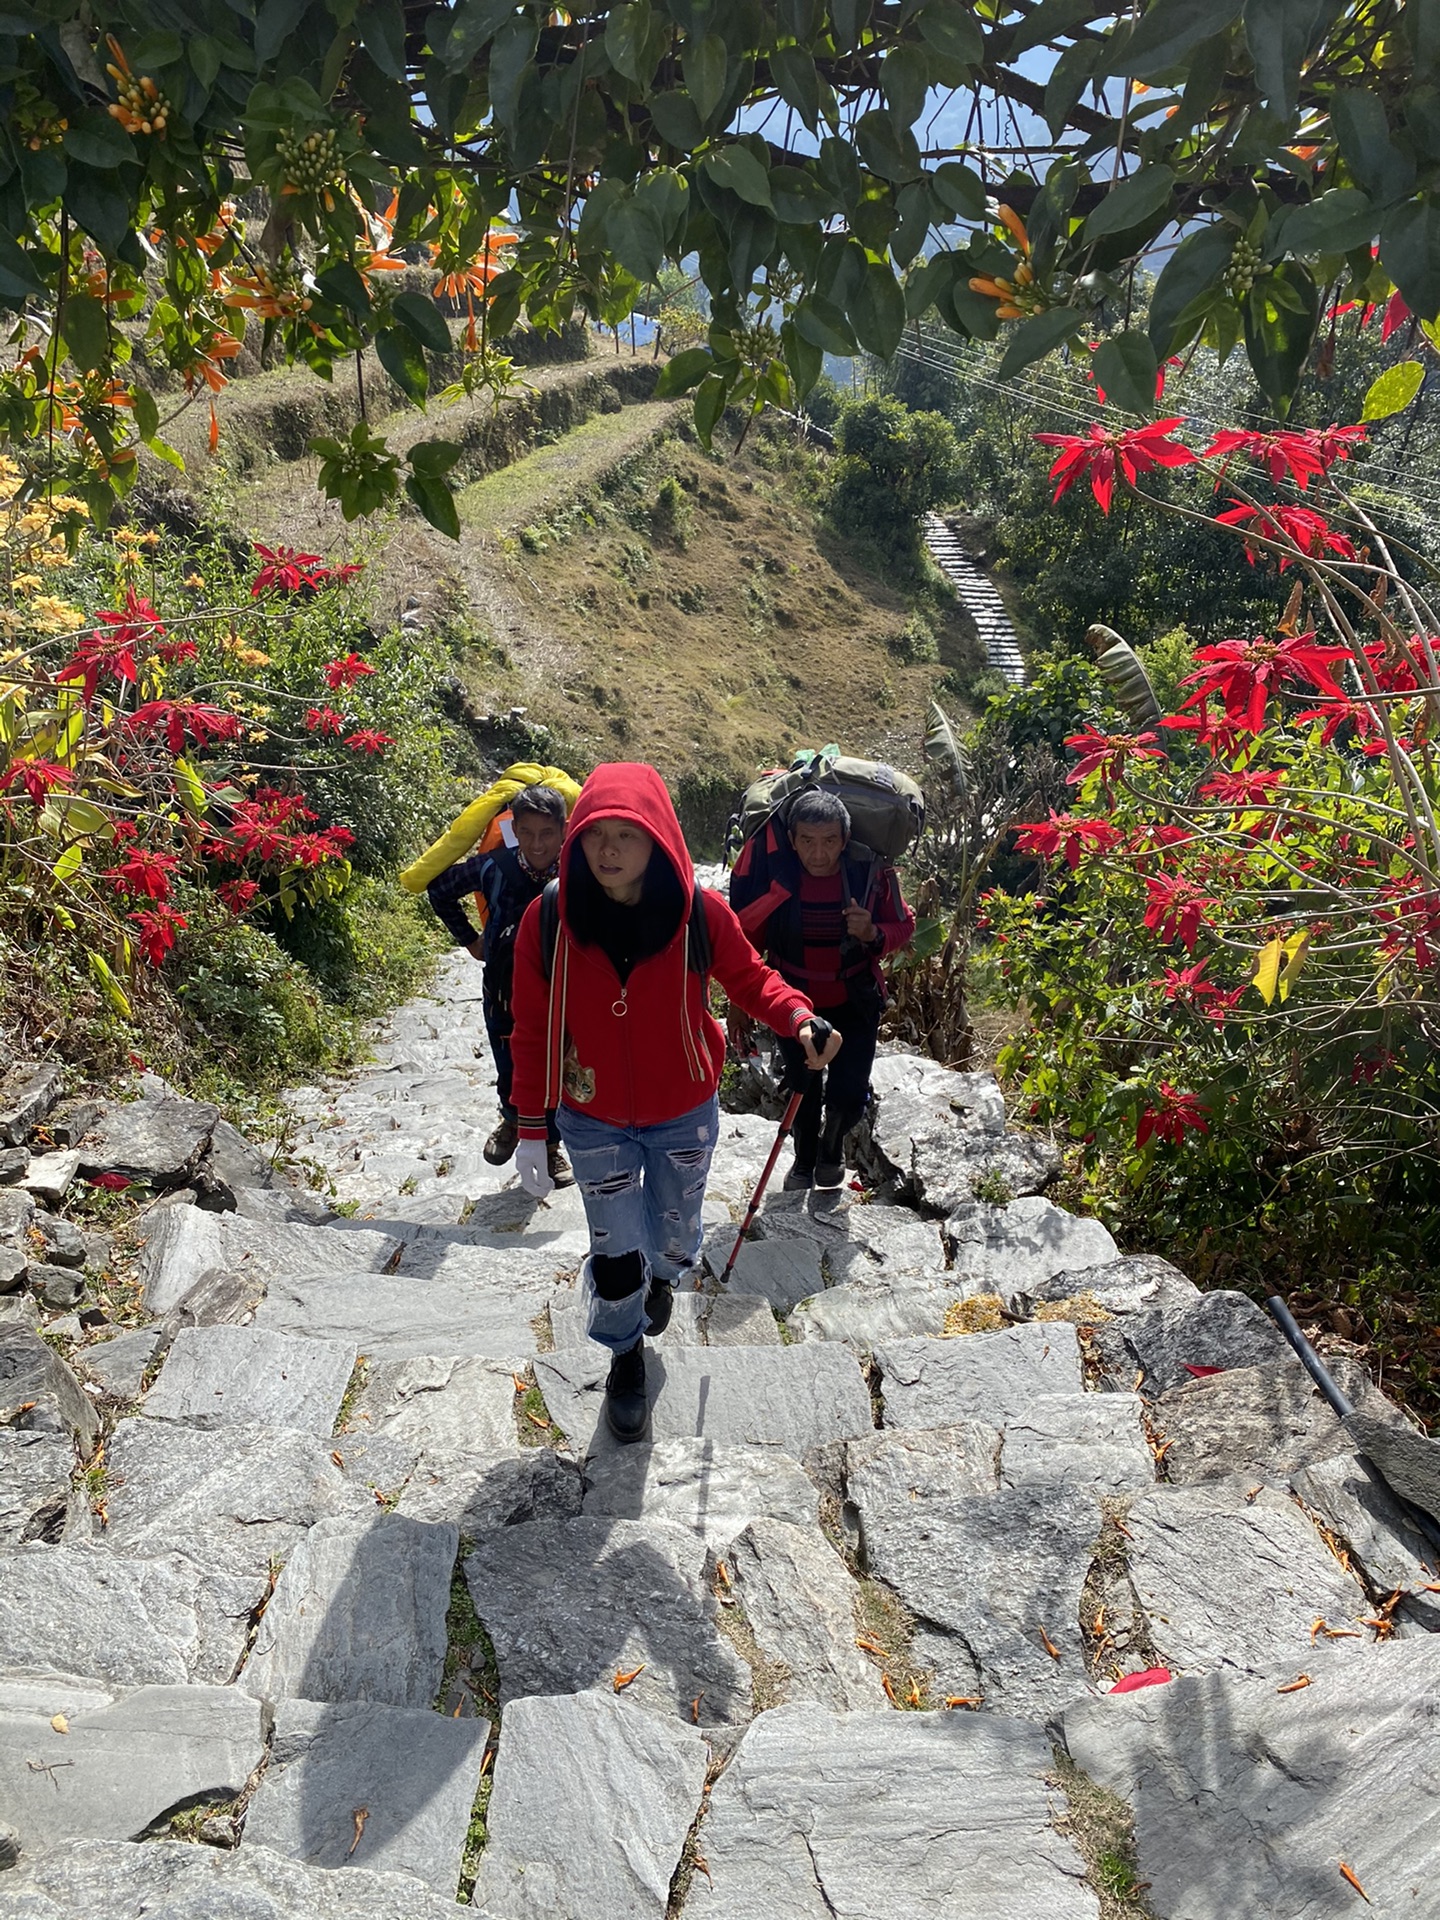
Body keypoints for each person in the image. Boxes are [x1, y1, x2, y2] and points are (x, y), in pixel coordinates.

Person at [508, 763, 840, 1442]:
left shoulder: (697, 912)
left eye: (626, 835)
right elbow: (532, 1028)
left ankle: (664, 1277)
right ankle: (625, 1354)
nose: (608, 850)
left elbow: (751, 977)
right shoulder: (550, 919)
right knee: (614, 1247)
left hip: (682, 1110)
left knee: (674, 1234)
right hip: (592, 1112)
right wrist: (531, 1124)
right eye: (597, 834)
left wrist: (798, 1016)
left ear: (658, 838)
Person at [735, 788, 914, 1192]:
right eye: (807, 842)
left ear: (845, 840)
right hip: (793, 1003)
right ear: (793, 840)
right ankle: (804, 1159)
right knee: (802, 1084)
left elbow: (904, 925)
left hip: (854, 1002)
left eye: (830, 841)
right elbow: (744, 942)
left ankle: (831, 1150)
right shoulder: (776, 879)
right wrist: (739, 1004)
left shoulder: (869, 876)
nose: (818, 853)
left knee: (849, 1094)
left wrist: (872, 931)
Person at [426, 783, 574, 1185]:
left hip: (563, 993)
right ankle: (512, 1122)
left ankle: (550, 1147)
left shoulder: (579, 874)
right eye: (526, 832)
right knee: (509, 1061)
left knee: (558, 1068)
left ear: (564, 830)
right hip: (503, 991)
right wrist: (471, 941)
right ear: (514, 830)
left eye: (547, 834)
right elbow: (438, 890)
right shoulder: (494, 866)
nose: (537, 843)